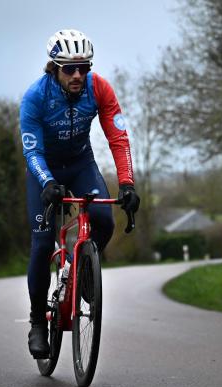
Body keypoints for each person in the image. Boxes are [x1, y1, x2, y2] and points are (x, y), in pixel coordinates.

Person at [20, 29, 140, 359]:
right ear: (53, 68)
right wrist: (46, 182)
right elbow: (31, 152)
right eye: (70, 69)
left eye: (84, 67)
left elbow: (119, 138)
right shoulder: (35, 97)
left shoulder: (98, 87)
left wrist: (127, 184)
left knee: (104, 220)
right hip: (43, 168)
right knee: (43, 243)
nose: (78, 75)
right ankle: (36, 323)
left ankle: (78, 268)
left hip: (80, 163)